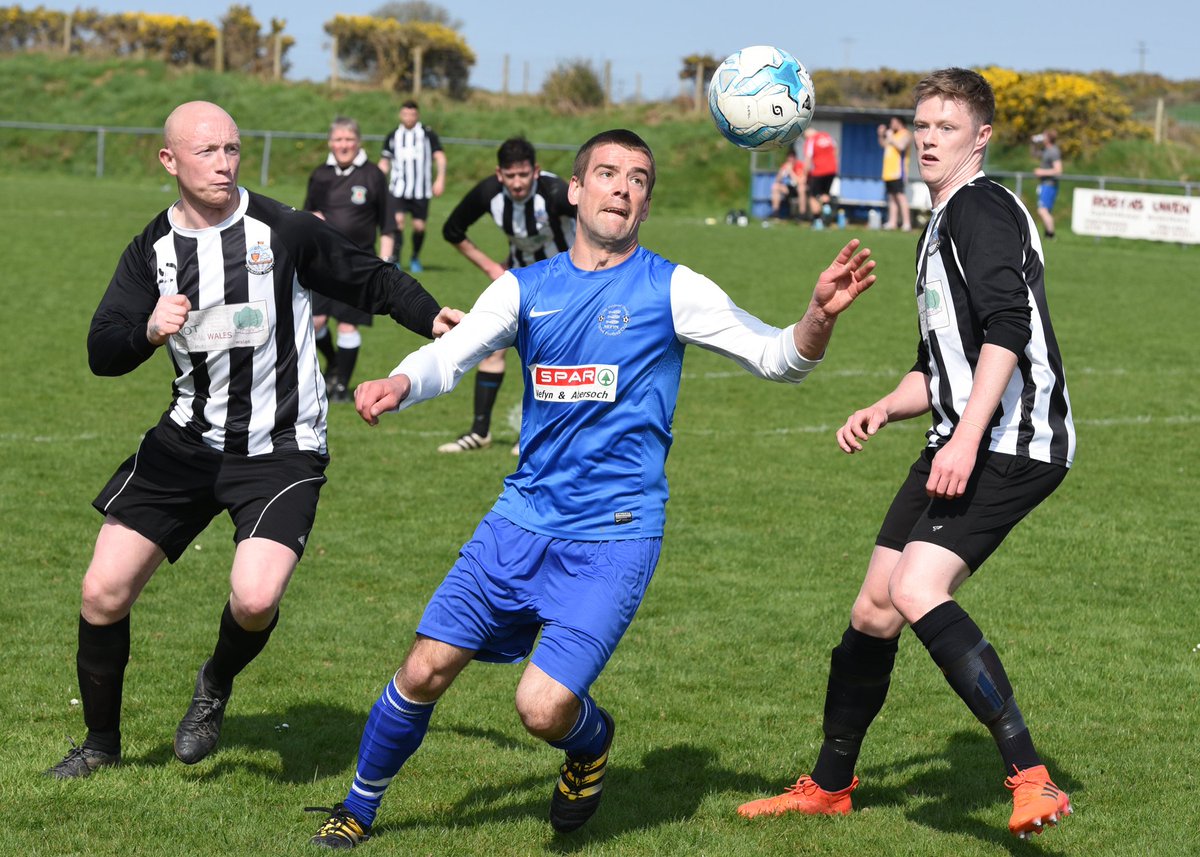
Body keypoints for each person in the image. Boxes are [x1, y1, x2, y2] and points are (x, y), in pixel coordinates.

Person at [305, 128, 877, 849]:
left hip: (614, 534)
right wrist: (400, 380)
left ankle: (591, 740)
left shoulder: (672, 287)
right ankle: (357, 806)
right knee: (423, 666)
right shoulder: (526, 287)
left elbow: (778, 359)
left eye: (638, 178)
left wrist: (818, 316)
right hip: (519, 519)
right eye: (607, 173)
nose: (622, 188)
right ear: (572, 191)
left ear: (645, 201)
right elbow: (455, 353)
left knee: (541, 708)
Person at [44, 101, 459, 780]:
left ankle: (214, 683)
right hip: (186, 442)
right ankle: (99, 743)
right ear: (170, 161)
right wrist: (147, 330)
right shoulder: (151, 252)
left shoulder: (282, 228)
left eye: (232, 149)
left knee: (256, 598)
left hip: (282, 447)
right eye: (207, 152)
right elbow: (101, 351)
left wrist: (430, 313)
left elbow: (372, 278)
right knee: (101, 590)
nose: (224, 163)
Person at [736, 68, 1076, 841]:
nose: (927, 138)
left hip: (1011, 441)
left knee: (918, 585)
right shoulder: (943, 220)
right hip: (958, 433)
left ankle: (1030, 777)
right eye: (920, 124)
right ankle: (828, 786)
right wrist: (889, 406)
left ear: (981, 136)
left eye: (945, 127)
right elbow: (939, 364)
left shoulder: (980, 208)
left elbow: (1007, 331)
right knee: (874, 606)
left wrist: (963, 436)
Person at [436, 137, 577, 455]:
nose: (517, 183)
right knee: (491, 346)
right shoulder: (490, 193)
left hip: (564, 282)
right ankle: (479, 432)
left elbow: (596, 220)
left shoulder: (556, 194)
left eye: (523, 175)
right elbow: (452, 230)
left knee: (551, 355)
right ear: (499, 175)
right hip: (519, 280)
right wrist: (490, 267)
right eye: (510, 176)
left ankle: (544, 433)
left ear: (536, 171)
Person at [304, 116, 390, 402]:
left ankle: (341, 384)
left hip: (358, 265)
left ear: (358, 142)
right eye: (338, 139)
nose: (344, 145)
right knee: (314, 323)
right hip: (322, 263)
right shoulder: (321, 174)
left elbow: (387, 221)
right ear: (331, 143)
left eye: (349, 139)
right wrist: (311, 219)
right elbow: (306, 214)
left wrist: (385, 262)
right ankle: (335, 363)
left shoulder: (373, 175)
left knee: (346, 325)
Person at [378, 100, 446, 273]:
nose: (409, 117)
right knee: (398, 223)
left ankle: (415, 256)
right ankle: (397, 259)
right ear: (401, 115)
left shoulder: (428, 135)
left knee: (419, 227)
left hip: (421, 190)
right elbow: (385, 161)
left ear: (417, 115)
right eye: (405, 114)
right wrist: (377, 179)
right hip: (398, 189)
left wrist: (440, 179)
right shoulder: (393, 136)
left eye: (412, 114)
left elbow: (440, 157)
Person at [878, 116, 912, 231]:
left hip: (898, 172)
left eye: (893, 122)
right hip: (888, 172)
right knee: (892, 198)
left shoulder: (905, 134)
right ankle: (892, 222)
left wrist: (890, 136)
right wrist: (881, 134)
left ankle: (906, 223)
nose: (891, 124)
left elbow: (901, 146)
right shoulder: (893, 135)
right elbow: (883, 145)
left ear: (899, 122)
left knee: (900, 197)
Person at [802, 126, 838, 228]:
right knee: (825, 193)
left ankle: (817, 221)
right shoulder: (827, 136)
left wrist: (805, 175)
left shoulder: (811, 140)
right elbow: (835, 149)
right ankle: (826, 207)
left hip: (819, 171)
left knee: (813, 196)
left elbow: (808, 158)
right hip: (832, 169)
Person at [1033, 128, 1062, 239]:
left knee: (1042, 210)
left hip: (1049, 184)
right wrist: (1033, 143)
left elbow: (1058, 170)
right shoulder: (1046, 150)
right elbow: (1034, 154)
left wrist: (1042, 172)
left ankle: (1051, 234)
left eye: (1044, 136)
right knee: (1045, 210)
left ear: (1049, 138)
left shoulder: (1053, 151)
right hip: (1044, 184)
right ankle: (1047, 234)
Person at [769, 150, 805, 220]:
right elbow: (777, 180)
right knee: (775, 186)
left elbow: (800, 181)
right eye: (789, 158)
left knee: (801, 188)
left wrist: (791, 171)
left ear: (795, 158)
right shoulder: (785, 165)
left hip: (797, 189)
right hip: (789, 189)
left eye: (792, 158)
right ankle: (775, 212)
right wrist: (782, 172)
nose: (790, 160)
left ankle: (802, 214)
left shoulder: (800, 165)